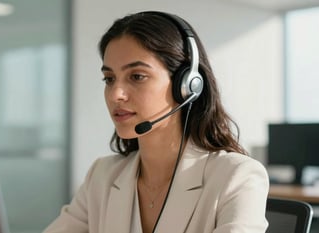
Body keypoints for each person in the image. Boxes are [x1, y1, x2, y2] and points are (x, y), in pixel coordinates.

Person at [43, 11, 269, 233]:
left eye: (137, 76)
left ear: (187, 86)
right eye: (109, 79)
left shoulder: (237, 177)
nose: (115, 95)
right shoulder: (102, 176)